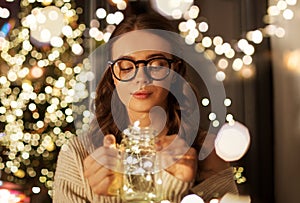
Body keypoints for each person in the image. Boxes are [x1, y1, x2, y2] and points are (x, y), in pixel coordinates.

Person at [53, 12, 238, 203]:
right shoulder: (79, 153)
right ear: (112, 75)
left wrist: (177, 188)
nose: (141, 77)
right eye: (126, 66)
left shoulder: (206, 153)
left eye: (157, 64)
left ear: (175, 71)